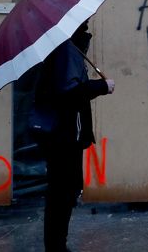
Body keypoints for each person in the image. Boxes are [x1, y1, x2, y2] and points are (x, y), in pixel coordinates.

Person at [30, 21, 115, 252]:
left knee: (64, 191)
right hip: (63, 136)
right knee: (62, 193)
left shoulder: (69, 47)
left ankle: (57, 245)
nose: (88, 23)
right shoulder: (66, 50)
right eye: (84, 21)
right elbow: (69, 93)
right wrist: (102, 86)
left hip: (64, 134)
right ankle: (56, 247)